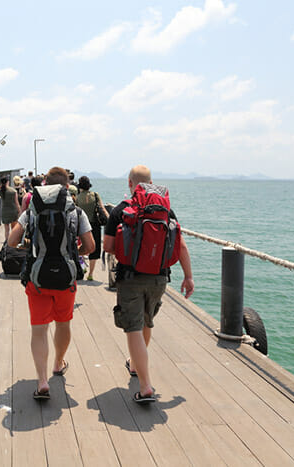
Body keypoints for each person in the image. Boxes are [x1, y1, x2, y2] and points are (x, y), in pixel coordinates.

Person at [103, 165, 194, 404]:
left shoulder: (122, 210)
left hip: (130, 278)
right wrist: (189, 276)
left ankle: (145, 386)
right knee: (146, 321)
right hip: (159, 277)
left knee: (132, 327)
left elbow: (108, 247)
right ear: (151, 182)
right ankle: (135, 365)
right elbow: (181, 245)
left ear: (131, 183)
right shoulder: (165, 210)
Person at [8, 167, 95, 400]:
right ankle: (58, 363)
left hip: (37, 278)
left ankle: (42, 380)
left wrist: (32, 250)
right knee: (63, 323)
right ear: (67, 186)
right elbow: (91, 247)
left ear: (45, 184)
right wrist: (71, 253)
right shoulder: (76, 211)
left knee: (39, 330)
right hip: (66, 278)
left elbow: (11, 241)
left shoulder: (32, 212)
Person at [75, 176, 108, 281]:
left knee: (80, 246)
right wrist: (110, 220)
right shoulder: (95, 195)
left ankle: (82, 266)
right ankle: (91, 274)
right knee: (94, 249)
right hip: (95, 225)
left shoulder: (77, 197)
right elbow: (102, 208)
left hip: (81, 226)